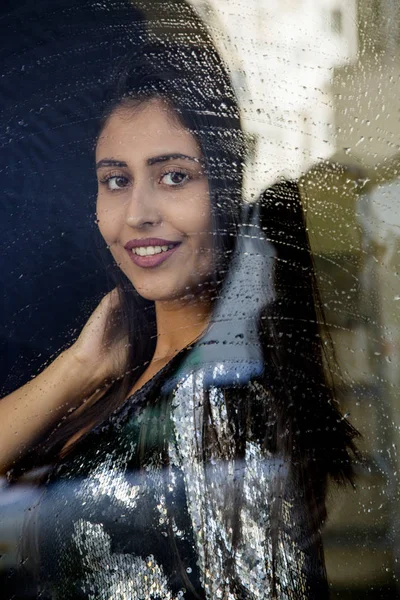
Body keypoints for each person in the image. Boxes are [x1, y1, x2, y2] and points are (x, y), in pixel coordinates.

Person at [0, 41, 358, 599]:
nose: (139, 213)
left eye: (173, 177)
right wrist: (78, 368)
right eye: (116, 180)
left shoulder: (221, 396)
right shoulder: (130, 376)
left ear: (224, 187)